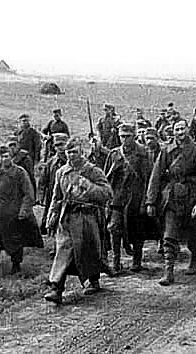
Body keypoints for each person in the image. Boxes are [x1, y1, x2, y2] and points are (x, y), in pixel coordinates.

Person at [43, 137, 113, 304]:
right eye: (68, 152)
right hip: (67, 217)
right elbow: (56, 196)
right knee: (63, 250)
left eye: (74, 151)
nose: (71, 155)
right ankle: (56, 288)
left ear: (82, 152)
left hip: (87, 218)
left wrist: (86, 184)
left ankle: (93, 279)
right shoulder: (62, 172)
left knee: (88, 251)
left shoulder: (93, 171)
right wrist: (51, 216)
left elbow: (107, 194)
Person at [146, 120, 196, 286]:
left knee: (194, 231)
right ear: (173, 132)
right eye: (177, 129)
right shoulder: (166, 150)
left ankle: (194, 259)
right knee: (169, 233)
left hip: (192, 196)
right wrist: (151, 201)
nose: (180, 132)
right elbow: (156, 175)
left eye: (182, 128)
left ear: (188, 129)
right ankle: (169, 270)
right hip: (171, 197)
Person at [0, 146, 43, 277]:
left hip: (14, 213)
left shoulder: (19, 172)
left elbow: (28, 193)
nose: (4, 159)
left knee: (15, 240)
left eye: (7, 156)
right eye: (2, 156)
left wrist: (24, 210)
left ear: (11, 157)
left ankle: (16, 265)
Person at [104, 124, 150, 274]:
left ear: (134, 135)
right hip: (117, 198)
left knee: (137, 229)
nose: (125, 139)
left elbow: (148, 178)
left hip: (136, 197)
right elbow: (106, 179)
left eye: (128, 136)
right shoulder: (114, 154)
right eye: (122, 136)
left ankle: (137, 260)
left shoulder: (143, 153)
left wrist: (146, 200)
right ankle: (116, 261)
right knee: (114, 228)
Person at [38, 133, 69, 238]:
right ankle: (54, 243)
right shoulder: (51, 162)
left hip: (68, 196)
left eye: (62, 145)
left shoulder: (72, 161)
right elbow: (43, 181)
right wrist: (41, 196)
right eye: (57, 145)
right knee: (52, 219)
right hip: (53, 196)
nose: (60, 148)